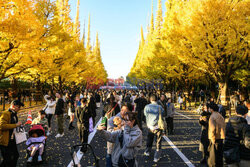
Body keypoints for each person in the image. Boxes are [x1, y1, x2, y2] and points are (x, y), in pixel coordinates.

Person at [0, 100, 24, 167]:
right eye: (18, 107)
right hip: (5, 140)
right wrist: (16, 125)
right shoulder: (6, 113)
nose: (19, 109)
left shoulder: (14, 114)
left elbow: (13, 125)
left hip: (12, 139)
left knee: (15, 156)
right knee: (7, 160)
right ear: (13, 106)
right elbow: (1, 126)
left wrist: (19, 126)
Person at [144, 94, 164, 163]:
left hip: (150, 126)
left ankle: (147, 152)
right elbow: (163, 114)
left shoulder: (147, 107)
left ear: (150, 99)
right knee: (158, 141)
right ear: (156, 99)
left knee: (149, 139)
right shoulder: (160, 107)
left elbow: (145, 115)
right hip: (158, 127)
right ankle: (156, 157)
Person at [207, 103, 226, 167]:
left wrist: (212, 139)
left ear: (211, 109)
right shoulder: (220, 115)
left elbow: (212, 129)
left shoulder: (212, 117)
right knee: (219, 156)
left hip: (215, 138)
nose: (208, 109)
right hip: (221, 137)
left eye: (209, 108)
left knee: (213, 157)